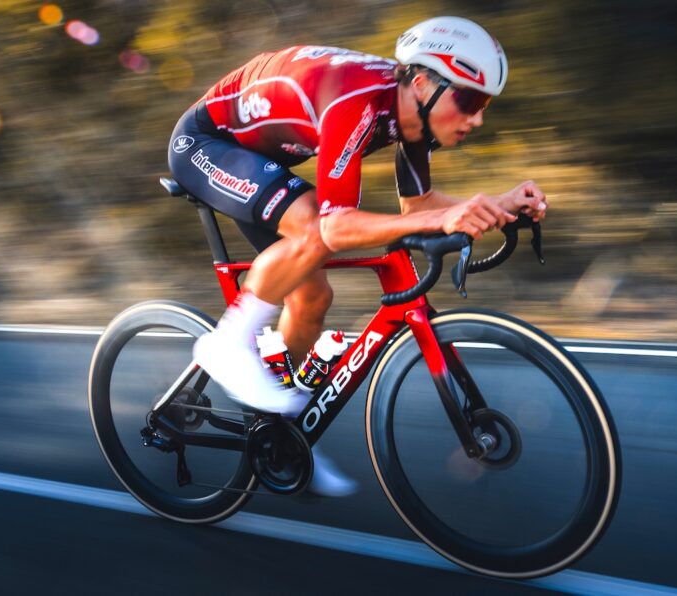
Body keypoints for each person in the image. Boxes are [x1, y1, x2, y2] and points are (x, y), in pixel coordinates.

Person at [168, 16, 548, 497]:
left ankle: (277, 436)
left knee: (312, 297)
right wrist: (441, 219)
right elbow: (334, 227)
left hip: (263, 157)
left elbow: (419, 207)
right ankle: (227, 344)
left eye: (484, 105)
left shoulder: (411, 115)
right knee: (315, 229)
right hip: (207, 143)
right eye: (469, 101)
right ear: (423, 83)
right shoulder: (356, 100)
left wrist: (498, 204)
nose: (476, 119)